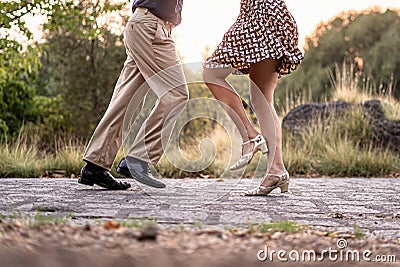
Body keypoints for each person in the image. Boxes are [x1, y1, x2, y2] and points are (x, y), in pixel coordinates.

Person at [79, 0, 188, 190]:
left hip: (144, 26)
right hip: (151, 29)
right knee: (176, 93)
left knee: (127, 100)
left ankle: (95, 164)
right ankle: (139, 158)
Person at [203, 0, 304, 196]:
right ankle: (276, 170)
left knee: (212, 73)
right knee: (261, 100)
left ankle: (251, 137)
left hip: (261, 15)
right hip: (271, 15)